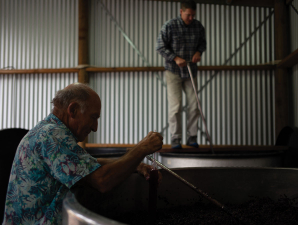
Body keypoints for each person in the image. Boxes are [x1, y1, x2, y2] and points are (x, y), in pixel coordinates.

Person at [2, 83, 163, 225]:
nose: (95, 127)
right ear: (73, 110)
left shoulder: (48, 130)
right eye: (93, 117)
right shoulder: (52, 136)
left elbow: (87, 165)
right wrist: (141, 148)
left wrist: (134, 165)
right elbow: (102, 181)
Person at [156, 0, 206, 149]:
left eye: (193, 15)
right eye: (188, 15)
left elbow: (202, 44)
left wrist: (198, 52)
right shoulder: (169, 26)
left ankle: (192, 137)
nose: (191, 18)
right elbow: (160, 47)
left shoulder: (198, 26)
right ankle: (175, 139)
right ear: (181, 11)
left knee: (194, 104)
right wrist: (175, 58)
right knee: (175, 106)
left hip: (191, 70)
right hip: (174, 72)